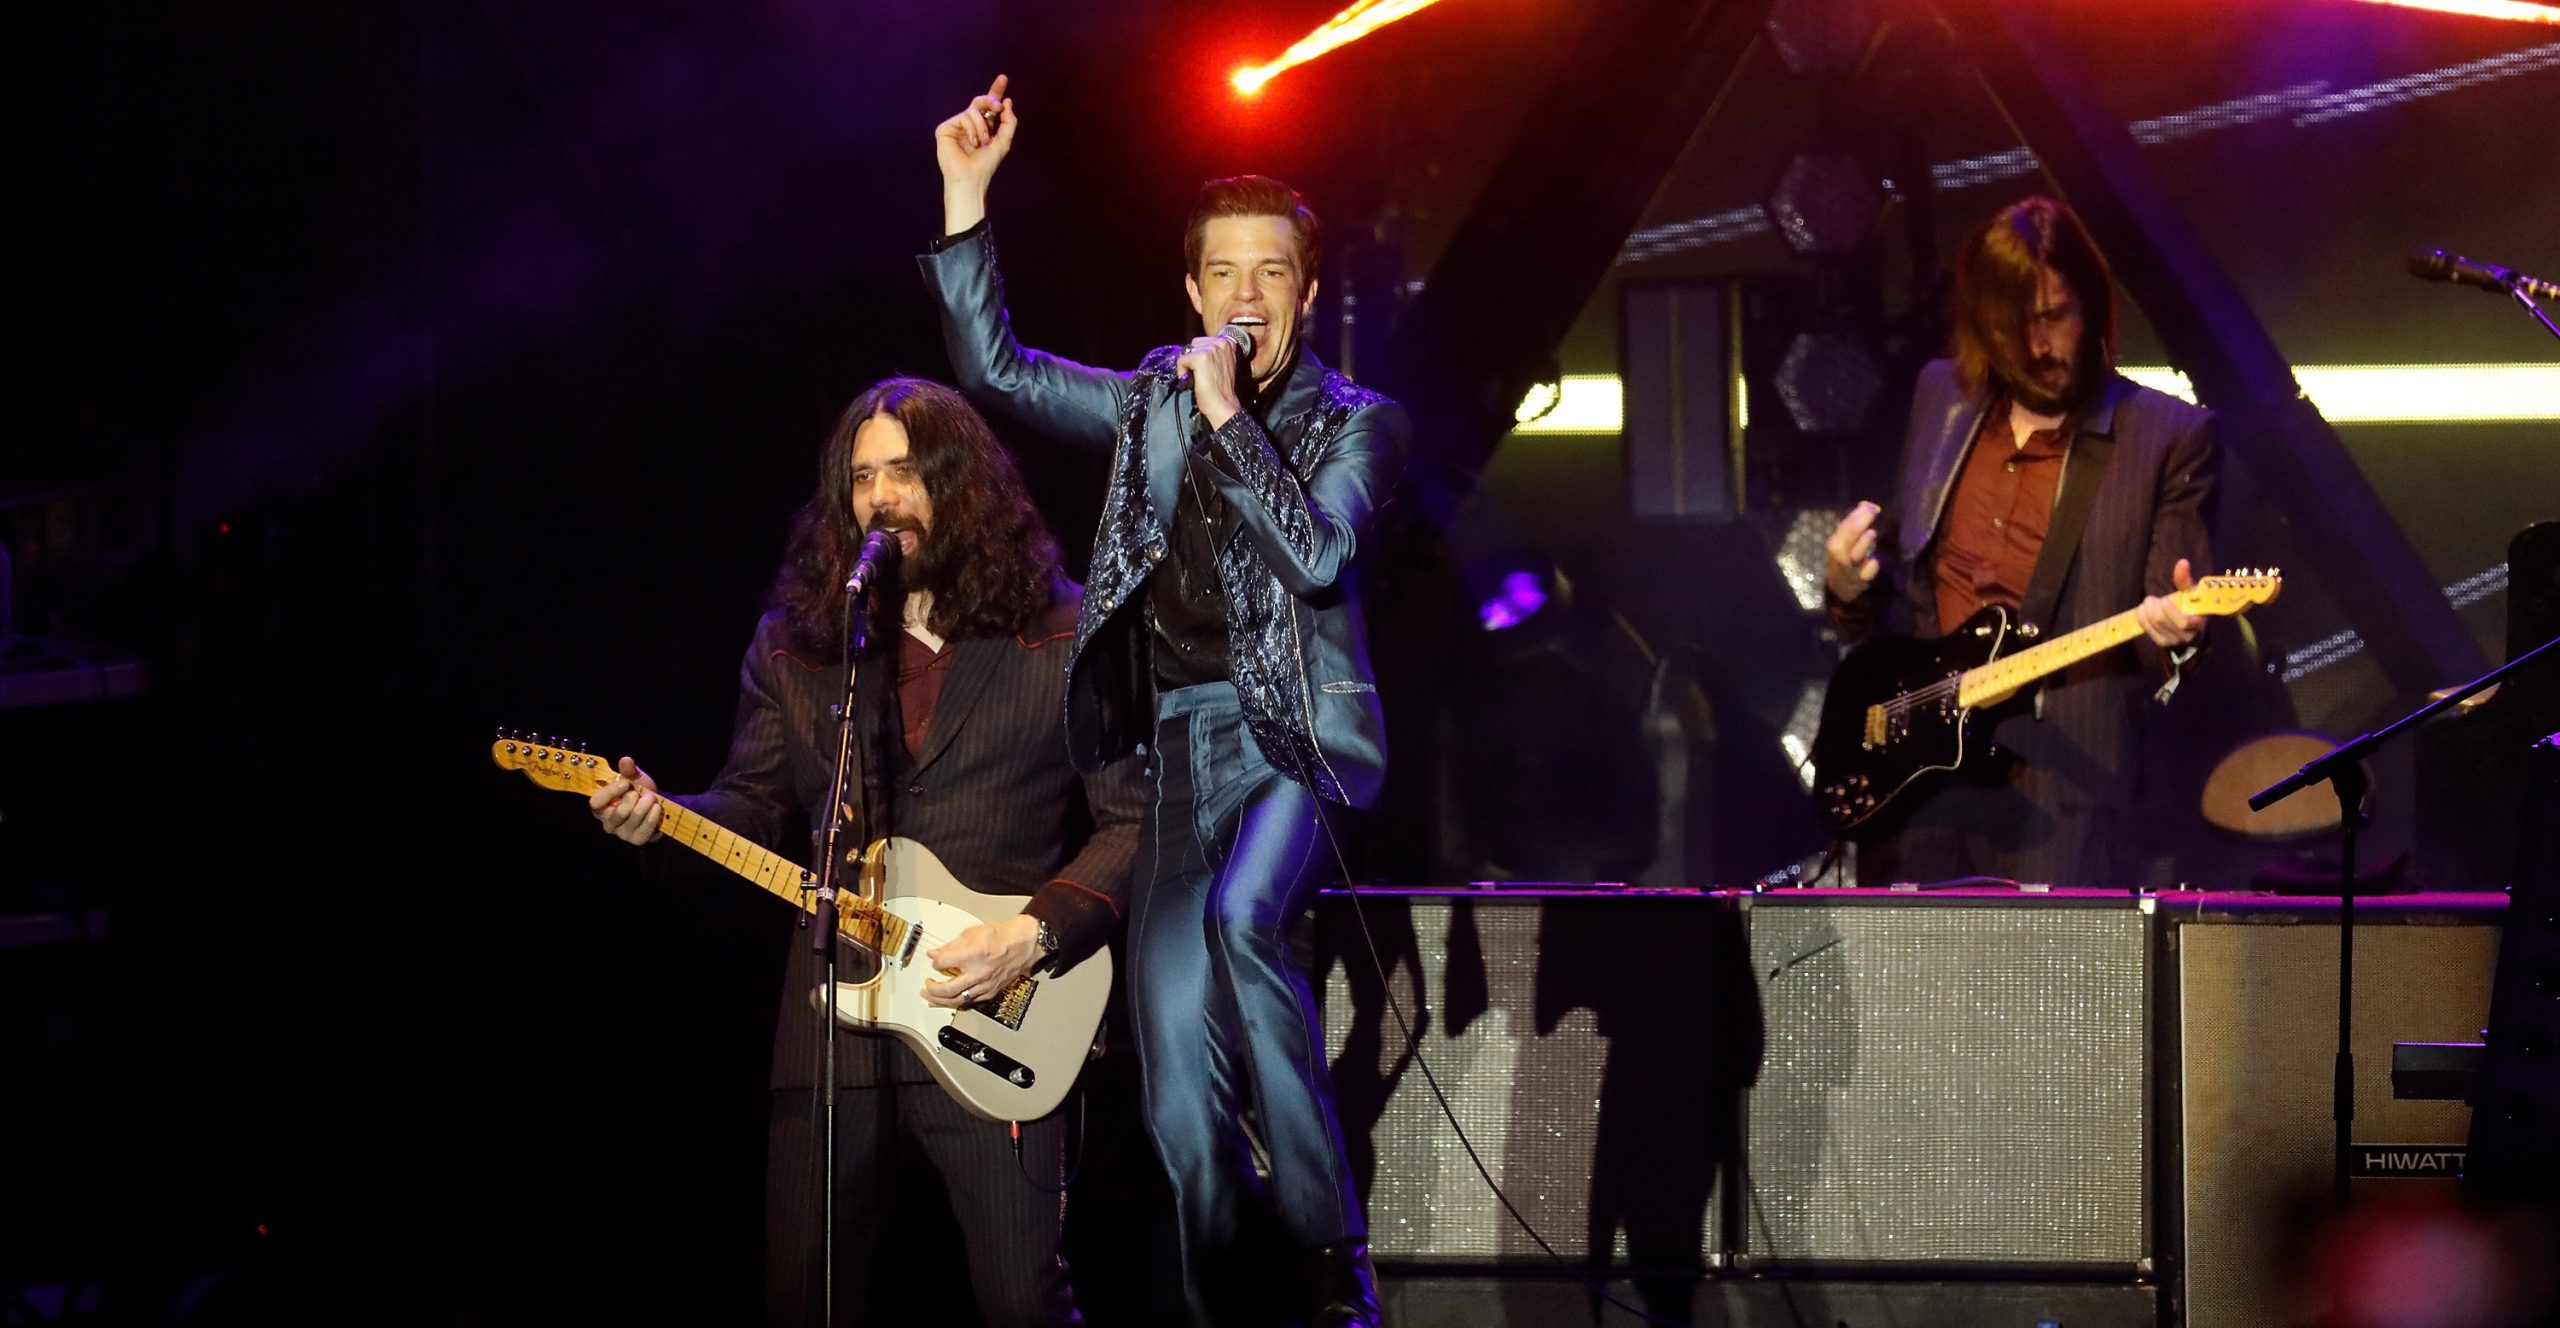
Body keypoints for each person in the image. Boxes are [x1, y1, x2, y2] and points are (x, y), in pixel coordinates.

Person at [921, 76, 1407, 1328]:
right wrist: (966, 198)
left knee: (1248, 920)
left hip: (1298, 742)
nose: (1247, 294)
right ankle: (1223, 1300)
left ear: (1306, 291)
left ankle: (1332, 1263)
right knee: (1178, 1089)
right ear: (1192, 293)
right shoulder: (1148, 404)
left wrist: (1231, 421)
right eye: (1223, 272)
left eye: (1272, 272)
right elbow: (997, 370)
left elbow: (1317, 556)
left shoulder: (1361, 424)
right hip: (1182, 752)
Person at [587, 377, 1144, 1327]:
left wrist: (1032, 935)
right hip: (833, 1024)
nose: (880, 497)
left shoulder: (1062, 630)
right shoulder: (799, 646)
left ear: (961, 483)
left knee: (1023, 1301)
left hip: (998, 1012)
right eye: (861, 477)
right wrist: (662, 818)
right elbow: (754, 803)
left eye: (905, 472)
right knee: (803, 1298)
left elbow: (1133, 820)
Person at [1822, 195, 2218, 887]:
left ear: (2092, 306)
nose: (2037, 348)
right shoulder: (1941, 398)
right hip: (1915, 784)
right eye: (2011, 327)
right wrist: (1848, 588)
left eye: (2054, 317)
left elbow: (2171, 637)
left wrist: (2179, 637)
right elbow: (1906, 601)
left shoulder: (2167, 437)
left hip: (2058, 791)